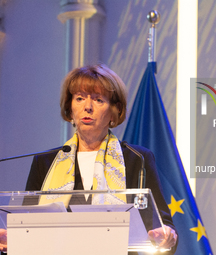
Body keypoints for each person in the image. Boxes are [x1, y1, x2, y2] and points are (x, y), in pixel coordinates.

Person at [0, 64, 177, 254]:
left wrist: (166, 237)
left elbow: (163, 225)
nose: (87, 107)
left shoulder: (136, 159)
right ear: (70, 109)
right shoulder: (45, 162)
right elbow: (27, 224)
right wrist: (13, 241)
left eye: (99, 100)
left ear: (115, 111)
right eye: (79, 98)